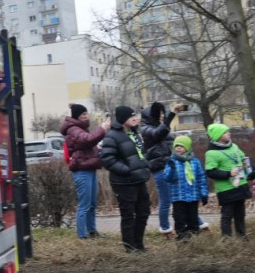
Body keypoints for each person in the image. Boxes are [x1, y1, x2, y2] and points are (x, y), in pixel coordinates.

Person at [140, 102, 208, 234]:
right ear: (150, 116)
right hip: (160, 167)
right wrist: (171, 115)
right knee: (166, 199)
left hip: (173, 165)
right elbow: (158, 134)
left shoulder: (161, 127)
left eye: (162, 113)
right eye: (158, 113)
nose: (161, 115)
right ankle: (165, 228)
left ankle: (198, 223)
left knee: (182, 198)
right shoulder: (146, 129)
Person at [99, 105, 152, 252]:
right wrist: (127, 170)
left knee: (143, 212)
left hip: (139, 179)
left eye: (135, 115)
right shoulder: (112, 136)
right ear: (123, 119)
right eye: (131, 116)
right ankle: (130, 247)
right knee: (128, 215)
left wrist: (145, 166)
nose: (135, 118)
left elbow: (142, 154)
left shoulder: (135, 134)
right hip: (124, 182)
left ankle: (139, 244)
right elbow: (108, 160)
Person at [60, 104, 109, 239]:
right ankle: (82, 235)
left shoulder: (81, 129)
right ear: (76, 116)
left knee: (91, 204)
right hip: (82, 170)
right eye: (83, 114)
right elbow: (87, 140)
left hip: (89, 167)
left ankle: (92, 232)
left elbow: (87, 146)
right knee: (84, 205)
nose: (86, 116)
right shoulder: (74, 129)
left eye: (86, 113)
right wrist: (102, 128)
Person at [204, 123, 253, 237]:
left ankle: (242, 236)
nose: (229, 133)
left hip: (240, 185)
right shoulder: (211, 153)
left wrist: (251, 171)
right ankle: (226, 239)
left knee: (240, 214)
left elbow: (243, 159)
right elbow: (210, 172)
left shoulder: (234, 146)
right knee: (227, 215)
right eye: (225, 132)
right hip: (226, 189)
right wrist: (228, 174)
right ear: (218, 136)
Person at [162, 135, 209, 240]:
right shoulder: (172, 161)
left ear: (187, 147)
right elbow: (167, 178)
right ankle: (182, 238)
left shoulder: (195, 162)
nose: (178, 148)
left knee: (193, 218)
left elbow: (201, 178)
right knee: (179, 219)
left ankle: (193, 238)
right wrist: (171, 169)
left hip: (193, 196)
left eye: (181, 146)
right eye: (176, 146)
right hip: (178, 197)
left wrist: (204, 193)